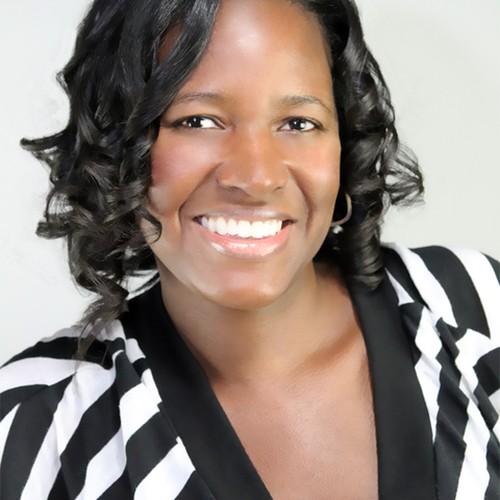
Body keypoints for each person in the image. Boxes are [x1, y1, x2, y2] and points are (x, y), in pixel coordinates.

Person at [0, 0, 498, 498]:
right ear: (114, 144)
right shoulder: (36, 426)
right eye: (198, 120)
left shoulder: (477, 309)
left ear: (344, 144)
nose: (256, 177)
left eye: (298, 123)